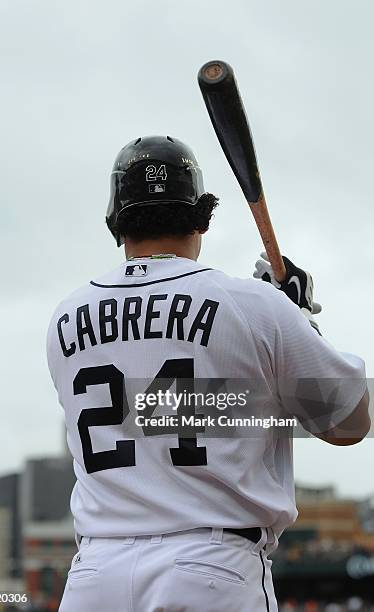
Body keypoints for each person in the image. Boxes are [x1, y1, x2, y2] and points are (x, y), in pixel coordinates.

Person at [47, 135, 370, 611]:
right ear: (200, 216)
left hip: (95, 576)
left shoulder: (64, 317)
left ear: (116, 219)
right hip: (210, 567)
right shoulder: (252, 305)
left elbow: (157, 410)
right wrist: (300, 320)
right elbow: (349, 423)